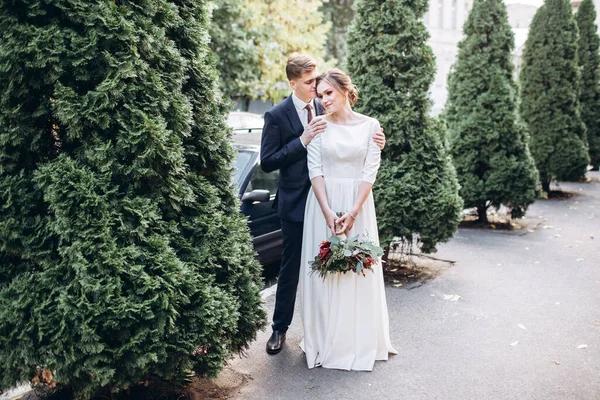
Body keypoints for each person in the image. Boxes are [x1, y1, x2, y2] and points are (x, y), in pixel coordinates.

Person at [260, 54, 385, 355]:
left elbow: (354, 136)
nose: (316, 87)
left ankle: (331, 331)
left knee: (334, 266)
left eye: (317, 79)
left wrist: (379, 141)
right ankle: (280, 329)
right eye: (309, 82)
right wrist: (301, 141)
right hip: (296, 203)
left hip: (333, 201)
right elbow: (267, 162)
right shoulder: (277, 115)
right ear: (293, 84)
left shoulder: (326, 103)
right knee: (291, 268)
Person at [299, 68, 397, 370]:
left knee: (357, 272)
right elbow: (314, 168)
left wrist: (353, 211)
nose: (324, 100)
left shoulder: (371, 127)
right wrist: (328, 211)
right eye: (320, 95)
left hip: (358, 205)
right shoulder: (317, 125)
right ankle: (324, 337)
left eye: (329, 93)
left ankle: (356, 339)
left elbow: (370, 170)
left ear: (344, 91)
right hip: (323, 205)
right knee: (324, 271)